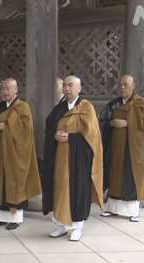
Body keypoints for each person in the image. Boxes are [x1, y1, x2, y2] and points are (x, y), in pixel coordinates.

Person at [42, 76, 103, 241]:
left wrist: (71, 138)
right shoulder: (58, 109)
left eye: (71, 85)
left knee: (77, 191)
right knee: (60, 189)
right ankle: (61, 225)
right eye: (65, 86)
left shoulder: (86, 107)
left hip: (79, 159)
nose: (67, 88)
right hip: (60, 159)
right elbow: (48, 129)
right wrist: (54, 135)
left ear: (79, 88)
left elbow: (91, 135)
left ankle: (77, 227)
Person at [0, 78, 41, 230]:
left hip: (15, 154)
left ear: (16, 90)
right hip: (0, 153)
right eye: (3, 88)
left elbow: (26, 130)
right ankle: (1, 218)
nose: (5, 92)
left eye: (8, 89)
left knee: (14, 184)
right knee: (0, 183)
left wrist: (8, 124)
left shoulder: (23, 107)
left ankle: (15, 219)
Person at [100, 75, 144, 222]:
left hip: (132, 149)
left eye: (126, 84)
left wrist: (127, 123)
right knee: (115, 176)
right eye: (120, 85)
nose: (122, 87)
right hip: (117, 148)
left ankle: (133, 211)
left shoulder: (141, 103)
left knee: (130, 177)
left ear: (133, 86)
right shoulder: (114, 104)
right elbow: (104, 119)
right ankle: (112, 208)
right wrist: (111, 123)